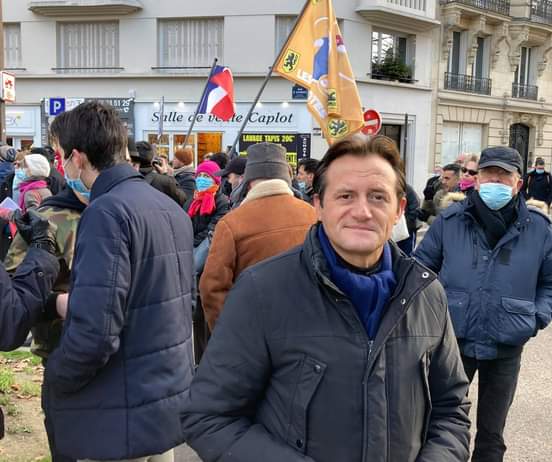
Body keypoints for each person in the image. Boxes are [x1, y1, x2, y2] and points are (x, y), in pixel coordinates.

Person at [181, 134, 471, 461]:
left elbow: (451, 409)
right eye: (345, 195)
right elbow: (209, 416)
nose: (362, 211)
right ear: (318, 205)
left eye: (378, 196)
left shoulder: (426, 293)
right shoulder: (262, 290)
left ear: (398, 209)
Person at [43, 102, 194, 462]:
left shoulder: (106, 212)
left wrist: (57, 376)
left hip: (119, 410)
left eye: (61, 155)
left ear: (78, 157)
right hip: (163, 399)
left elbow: (95, 331)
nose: (60, 165)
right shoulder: (168, 207)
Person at [414, 146, 552, 462]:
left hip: (506, 344)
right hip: (452, 342)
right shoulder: (450, 221)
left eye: (504, 175)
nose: (496, 180)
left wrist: (536, 317)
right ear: (477, 180)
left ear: (519, 183)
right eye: (490, 173)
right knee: (440, 423)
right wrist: (431, 317)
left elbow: (549, 283)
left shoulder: (539, 229)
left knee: (492, 433)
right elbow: (421, 271)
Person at [199, 142, 317, 330]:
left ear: (249, 179)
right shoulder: (313, 215)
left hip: (252, 334)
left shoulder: (232, 223)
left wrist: (229, 336)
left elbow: (212, 288)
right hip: (306, 330)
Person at [185, 160, 229, 273]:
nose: (201, 179)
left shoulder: (221, 201)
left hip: (206, 251)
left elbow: (214, 228)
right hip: (189, 246)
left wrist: (192, 241)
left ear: (215, 180)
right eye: (199, 175)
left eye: (206, 176)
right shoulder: (192, 199)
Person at [131, 140, 187, 206]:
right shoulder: (165, 181)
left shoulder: (124, 181)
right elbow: (182, 200)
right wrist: (167, 175)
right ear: (152, 159)